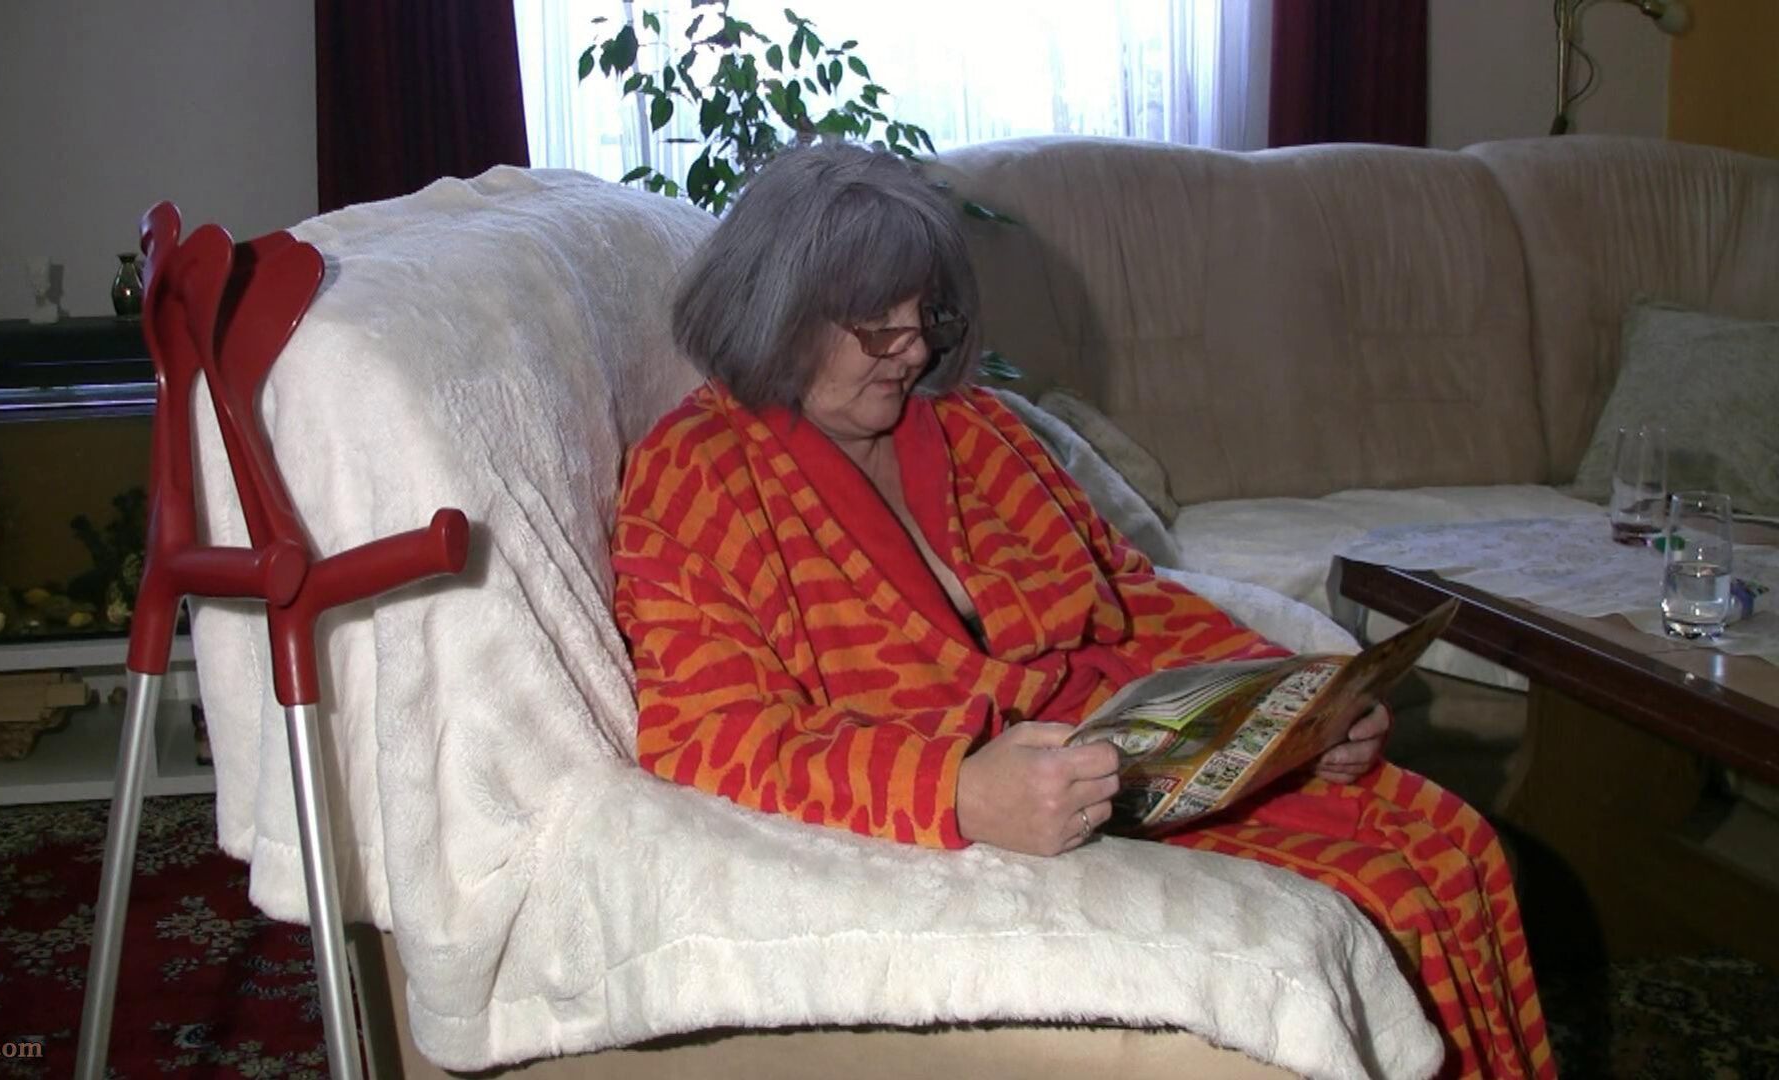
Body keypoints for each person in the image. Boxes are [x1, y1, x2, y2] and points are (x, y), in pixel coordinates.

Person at [611, 142, 1553, 1079]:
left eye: (926, 314)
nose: (918, 350)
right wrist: (956, 792)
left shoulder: (981, 430)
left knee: (1456, 844)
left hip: (1136, 759)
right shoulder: (699, 475)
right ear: (778, 311)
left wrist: (1298, 697)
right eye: (878, 327)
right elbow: (708, 737)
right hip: (1007, 807)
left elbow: (1133, 598)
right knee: (1384, 903)